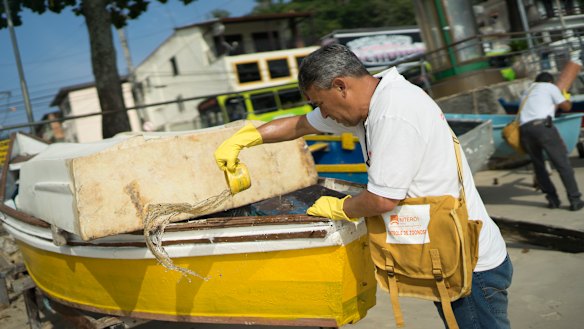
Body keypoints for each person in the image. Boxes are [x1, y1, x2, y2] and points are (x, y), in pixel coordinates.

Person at [214, 44, 512, 328]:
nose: (325, 114)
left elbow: (382, 199)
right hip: (448, 252)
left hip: (471, 266)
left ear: (341, 86)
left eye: (321, 103)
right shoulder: (366, 106)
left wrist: (340, 207)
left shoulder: (394, 111)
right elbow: (299, 125)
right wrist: (247, 138)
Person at [519, 72, 584, 211]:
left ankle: (553, 201)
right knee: (562, 164)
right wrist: (566, 98)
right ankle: (575, 200)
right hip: (543, 128)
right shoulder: (549, 87)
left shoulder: (527, 92)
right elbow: (566, 107)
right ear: (549, 81)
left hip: (525, 131)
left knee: (540, 168)